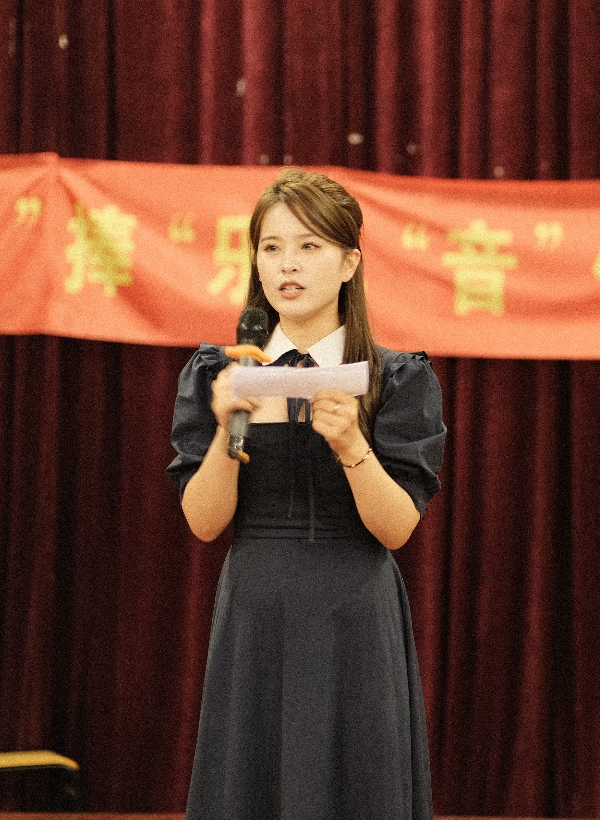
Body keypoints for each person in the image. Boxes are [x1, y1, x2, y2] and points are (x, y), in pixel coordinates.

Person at [166, 168, 446, 820]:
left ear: (349, 263)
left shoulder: (396, 378)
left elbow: (397, 527)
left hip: (353, 613)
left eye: (309, 246)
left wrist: (351, 445)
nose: (286, 264)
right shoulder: (218, 373)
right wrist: (226, 430)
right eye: (271, 247)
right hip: (255, 610)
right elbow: (204, 522)